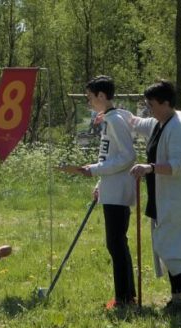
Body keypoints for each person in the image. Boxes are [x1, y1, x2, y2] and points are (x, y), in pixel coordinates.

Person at [129, 80, 181, 315]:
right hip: (163, 195)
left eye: (152, 104)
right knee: (167, 243)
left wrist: (149, 167)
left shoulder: (179, 127)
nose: (149, 109)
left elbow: (178, 165)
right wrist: (109, 112)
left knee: (168, 245)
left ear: (166, 103)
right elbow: (137, 122)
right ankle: (177, 297)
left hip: (180, 197)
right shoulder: (161, 122)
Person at [59, 75, 137, 310]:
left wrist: (92, 170)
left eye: (91, 98)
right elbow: (109, 156)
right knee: (115, 243)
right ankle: (125, 295)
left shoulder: (114, 120)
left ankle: (125, 298)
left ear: (102, 96)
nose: (89, 103)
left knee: (116, 243)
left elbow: (127, 156)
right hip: (110, 188)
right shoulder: (111, 118)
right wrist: (100, 183)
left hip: (119, 190)